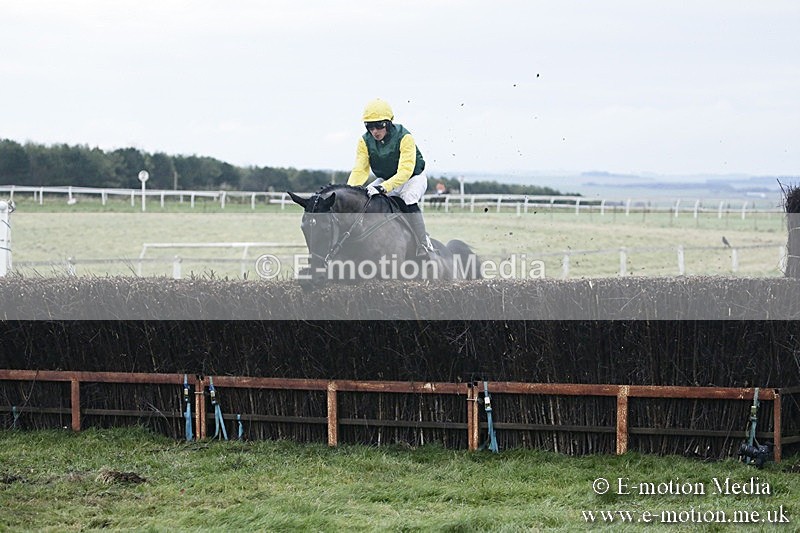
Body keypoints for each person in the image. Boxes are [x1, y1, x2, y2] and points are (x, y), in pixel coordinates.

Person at [346, 98, 435, 256]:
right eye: (370, 126)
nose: (375, 131)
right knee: (364, 198)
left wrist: (383, 188)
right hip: (387, 179)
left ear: (389, 123)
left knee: (408, 198)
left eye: (379, 125)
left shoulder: (405, 137)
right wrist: (349, 191)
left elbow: (405, 171)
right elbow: (360, 169)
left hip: (413, 177)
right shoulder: (364, 141)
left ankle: (423, 244)